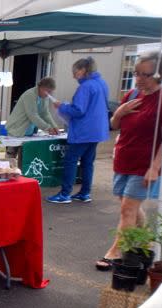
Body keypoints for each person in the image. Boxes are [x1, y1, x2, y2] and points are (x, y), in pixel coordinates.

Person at [96, 51, 162, 270]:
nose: (138, 79)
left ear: (159, 74)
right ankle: (146, 243)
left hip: (144, 164)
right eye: (136, 73)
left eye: (144, 75)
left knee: (127, 209)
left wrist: (155, 167)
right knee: (129, 206)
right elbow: (115, 125)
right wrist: (119, 112)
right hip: (123, 158)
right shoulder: (132, 95)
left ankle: (116, 252)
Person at [47, 57, 109, 204]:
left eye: (75, 72)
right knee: (88, 162)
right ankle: (84, 193)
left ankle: (65, 194)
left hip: (83, 131)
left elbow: (78, 110)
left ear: (83, 70)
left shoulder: (86, 86)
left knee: (71, 160)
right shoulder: (102, 83)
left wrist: (62, 106)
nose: (73, 75)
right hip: (97, 130)